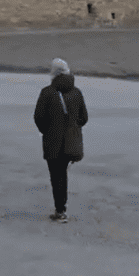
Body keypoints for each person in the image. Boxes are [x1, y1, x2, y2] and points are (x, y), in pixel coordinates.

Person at [33, 57, 88, 223]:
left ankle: (60, 210)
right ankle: (61, 209)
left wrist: (48, 131)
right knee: (62, 174)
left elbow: (38, 117)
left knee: (56, 175)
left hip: (52, 142)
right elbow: (84, 118)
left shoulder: (47, 93)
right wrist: (72, 127)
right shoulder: (76, 92)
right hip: (71, 142)